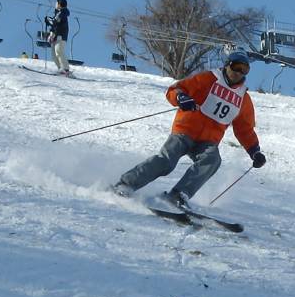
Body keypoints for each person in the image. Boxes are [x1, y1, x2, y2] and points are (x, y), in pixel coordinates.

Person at [113, 50, 267, 207]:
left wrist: (254, 151)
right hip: (185, 130)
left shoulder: (243, 98)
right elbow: (176, 89)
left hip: (208, 141)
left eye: (244, 70)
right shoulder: (209, 78)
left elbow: (244, 129)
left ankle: (178, 195)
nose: (239, 72)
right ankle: (125, 184)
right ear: (227, 65)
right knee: (166, 161)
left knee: (212, 160)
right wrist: (181, 97)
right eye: (236, 67)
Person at [45, 0, 70, 76]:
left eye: (56, 3)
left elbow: (54, 22)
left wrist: (48, 20)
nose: (55, 5)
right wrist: (51, 34)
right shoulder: (58, 13)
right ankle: (61, 69)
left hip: (61, 36)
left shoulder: (62, 13)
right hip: (55, 36)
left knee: (59, 51)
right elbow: (54, 25)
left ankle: (65, 69)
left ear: (59, 4)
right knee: (54, 55)